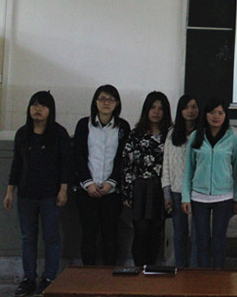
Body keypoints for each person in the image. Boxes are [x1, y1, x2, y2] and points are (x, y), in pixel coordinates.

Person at [4, 91, 70, 297]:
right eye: (34, 105)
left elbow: (65, 164)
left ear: (51, 110)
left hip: (51, 194)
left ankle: (49, 277)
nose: (37, 109)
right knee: (27, 237)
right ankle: (28, 279)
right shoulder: (23, 133)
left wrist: (64, 190)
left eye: (42, 105)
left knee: (51, 237)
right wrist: (10, 192)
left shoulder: (59, 133)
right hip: (26, 194)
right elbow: (16, 164)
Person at [73, 85, 130, 267]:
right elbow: (78, 156)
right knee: (88, 234)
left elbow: (123, 158)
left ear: (117, 103)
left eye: (111, 99)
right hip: (87, 191)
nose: (106, 103)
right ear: (95, 102)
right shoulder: (84, 124)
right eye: (102, 99)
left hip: (111, 192)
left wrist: (111, 183)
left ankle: (109, 275)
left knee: (110, 234)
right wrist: (88, 183)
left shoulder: (123, 127)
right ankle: (89, 274)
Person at [182, 97, 237, 269]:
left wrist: (236, 198)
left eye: (220, 113)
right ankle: (202, 279)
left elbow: (236, 170)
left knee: (219, 241)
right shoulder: (196, 136)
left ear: (225, 115)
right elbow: (189, 169)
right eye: (212, 112)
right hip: (199, 197)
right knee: (201, 241)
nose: (216, 116)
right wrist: (185, 197)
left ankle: (218, 278)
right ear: (205, 114)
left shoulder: (232, 138)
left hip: (224, 197)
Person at [121, 91, 171, 267]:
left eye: (160, 108)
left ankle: (151, 269)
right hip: (140, 189)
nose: (156, 112)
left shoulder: (169, 135)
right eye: (152, 107)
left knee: (155, 233)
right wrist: (127, 193)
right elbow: (127, 164)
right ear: (146, 110)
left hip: (160, 189)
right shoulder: (135, 134)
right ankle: (139, 270)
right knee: (140, 232)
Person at [162, 95, 199, 267]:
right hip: (177, 190)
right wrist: (166, 193)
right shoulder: (172, 133)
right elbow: (166, 164)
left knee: (198, 234)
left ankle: (195, 270)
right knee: (179, 234)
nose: (190, 111)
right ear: (180, 111)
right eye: (186, 107)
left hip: (198, 191)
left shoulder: (203, 133)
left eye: (194, 107)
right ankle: (181, 268)